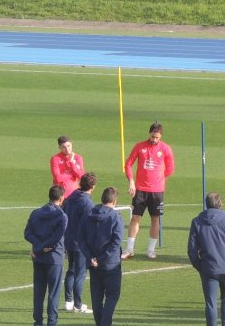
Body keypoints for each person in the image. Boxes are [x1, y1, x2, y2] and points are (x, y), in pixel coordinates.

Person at [188, 191, 225, 326]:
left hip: (208, 268)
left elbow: (191, 250)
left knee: (210, 302)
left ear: (206, 205)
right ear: (220, 203)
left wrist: (200, 266)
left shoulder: (197, 221)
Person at [123, 122, 175, 260]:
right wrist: (131, 182)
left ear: (161, 136)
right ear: (149, 133)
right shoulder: (140, 147)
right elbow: (128, 164)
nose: (154, 140)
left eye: (157, 137)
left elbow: (170, 168)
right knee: (135, 218)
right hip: (140, 189)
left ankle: (151, 250)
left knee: (155, 219)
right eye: (153, 136)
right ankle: (129, 249)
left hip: (157, 191)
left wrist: (160, 178)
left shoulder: (165, 149)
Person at [80, 187, 125, 326]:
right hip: (110, 265)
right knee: (112, 296)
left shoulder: (88, 215)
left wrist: (90, 258)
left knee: (96, 298)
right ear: (114, 201)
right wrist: (101, 259)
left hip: (93, 264)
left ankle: (100, 323)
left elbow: (81, 239)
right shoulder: (115, 217)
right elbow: (116, 242)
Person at [25, 185, 68, 326]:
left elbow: (27, 234)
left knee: (38, 292)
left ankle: (37, 322)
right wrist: (42, 249)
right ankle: (52, 322)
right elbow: (56, 239)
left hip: (38, 258)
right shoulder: (62, 216)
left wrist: (37, 248)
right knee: (53, 293)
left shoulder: (36, 213)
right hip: (54, 259)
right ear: (61, 198)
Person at [63, 173, 98, 314]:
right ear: (93, 187)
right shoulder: (88, 203)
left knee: (71, 270)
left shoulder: (71, 197)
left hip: (69, 240)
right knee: (80, 273)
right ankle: (77, 305)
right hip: (80, 243)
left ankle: (68, 301)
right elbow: (90, 226)